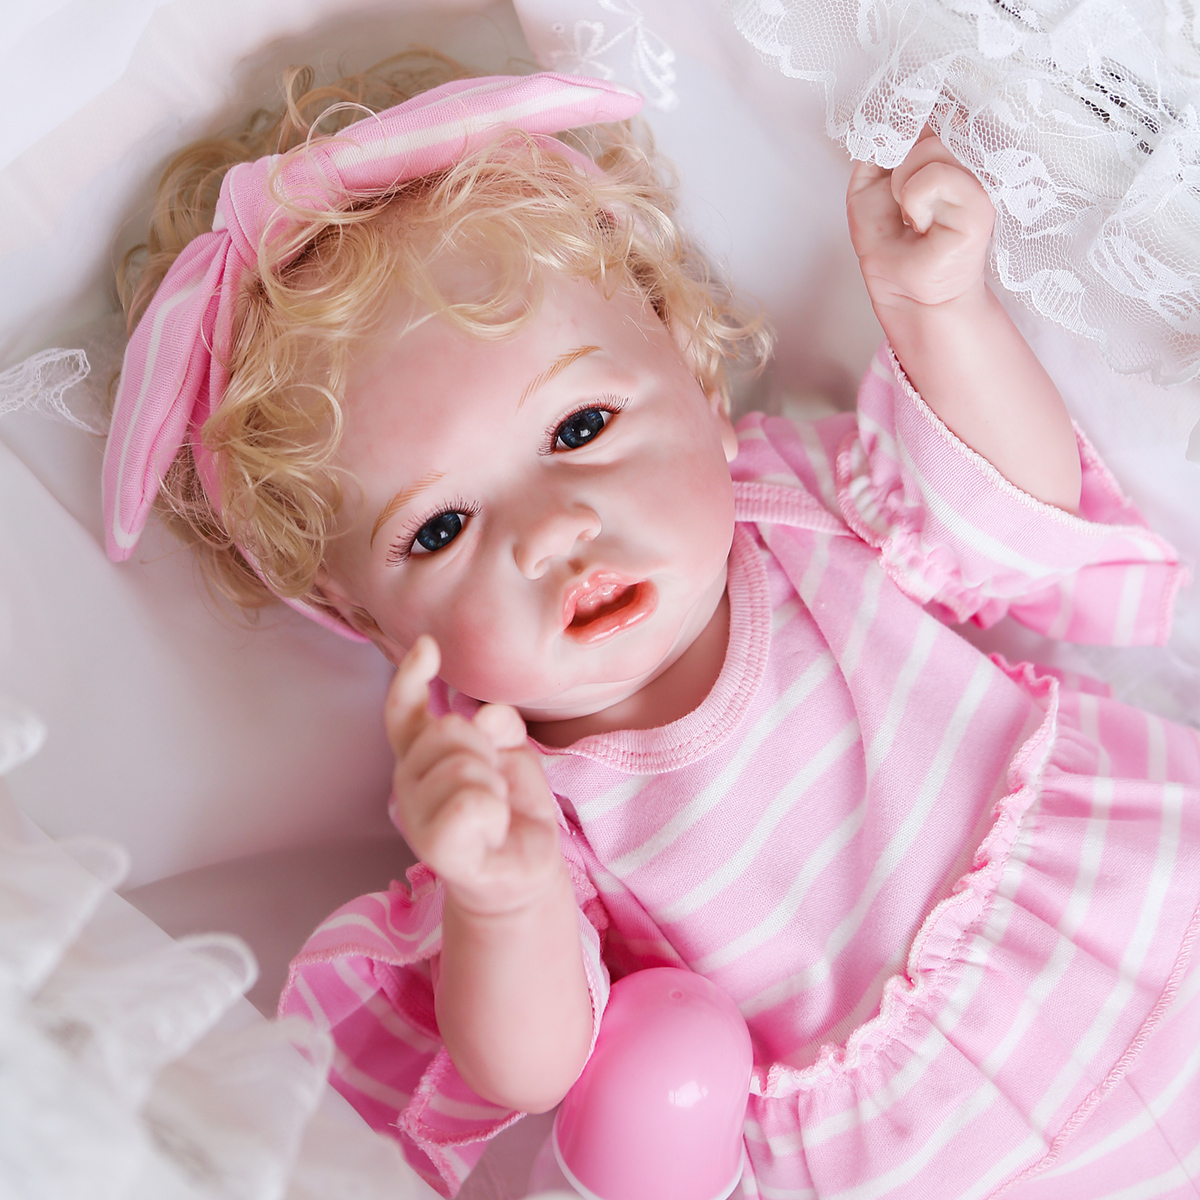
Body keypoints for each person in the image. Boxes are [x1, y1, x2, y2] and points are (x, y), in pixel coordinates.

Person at [104, 56, 1200, 1199]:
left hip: (1135, 902)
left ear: (700, 384)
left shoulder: (799, 506)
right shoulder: (516, 793)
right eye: (439, 530)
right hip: (931, 1151)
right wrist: (501, 895)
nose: (549, 534)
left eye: (580, 428)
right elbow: (538, 1066)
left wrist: (940, 312)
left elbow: (1013, 521)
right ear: (366, 623)